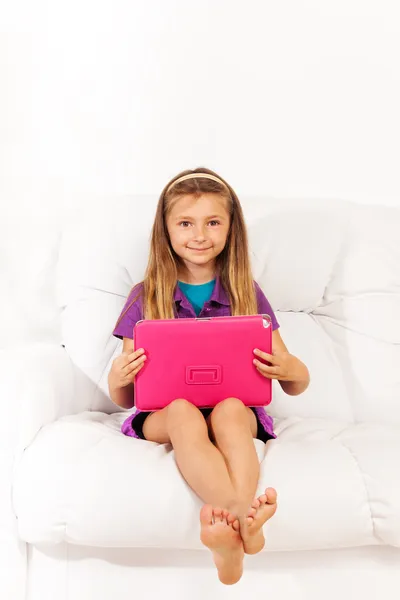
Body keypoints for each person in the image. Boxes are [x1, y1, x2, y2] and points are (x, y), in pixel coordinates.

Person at [108, 167, 310, 585]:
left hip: (233, 409)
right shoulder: (146, 295)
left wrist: (290, 370)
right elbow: (123, 397)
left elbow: (296, 379)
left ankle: (229, 544)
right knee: (183, 411)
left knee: (233, 408)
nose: (199, 235)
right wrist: (119, 374)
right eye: (185, 223)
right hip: (166, 414)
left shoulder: (245, 291)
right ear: (165, 230)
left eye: (213, 222)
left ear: (230, 229)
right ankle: (244, 521)